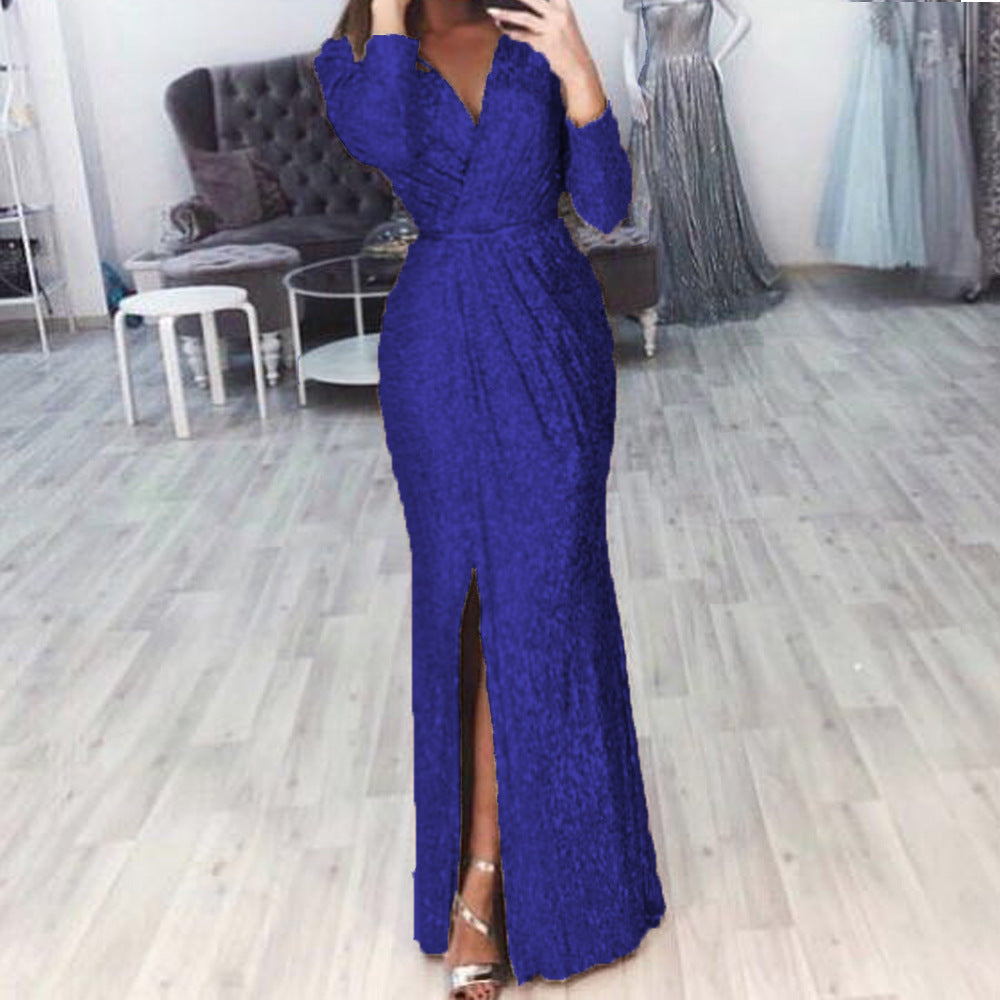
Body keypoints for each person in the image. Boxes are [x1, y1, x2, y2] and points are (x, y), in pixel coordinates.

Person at [314, 1, 667, 997]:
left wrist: (578, 65)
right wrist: (390, 15)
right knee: (464, 605)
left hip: (550, 339)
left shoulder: (529, 36)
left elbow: (604, 202)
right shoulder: (351, 58)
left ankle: (506, 877)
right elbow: (384, 138)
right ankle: (483, 872)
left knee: (545, 601)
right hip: (435, 350)